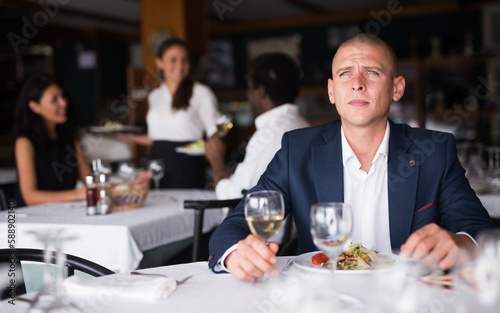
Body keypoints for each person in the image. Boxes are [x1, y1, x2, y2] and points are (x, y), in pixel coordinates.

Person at [208, 34, 496, 281]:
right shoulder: (298, 150)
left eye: (372, 72)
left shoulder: (435, 151)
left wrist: (459, 243)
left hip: (406, 297)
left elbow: (482, 233)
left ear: (397, 88)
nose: (357, 83)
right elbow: (234, 225)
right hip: (322, 297)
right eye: (346, 73)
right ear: (332, 91)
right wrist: (236, 253)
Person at [114, 38, 220, 188]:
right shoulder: (154, 96)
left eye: (184, 60)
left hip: (187, 166)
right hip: (156, 165)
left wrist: (218, 167)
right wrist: (120, 135)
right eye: (173, 60)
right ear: (159, 63)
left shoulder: (201, 92)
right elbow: (154, 137)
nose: (180, 65)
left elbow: (215, 134)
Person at [205, 53, 309, 200]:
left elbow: (233, 200)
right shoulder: (303, 125)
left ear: (261, 91)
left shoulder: (270, 134)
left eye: (249, 88)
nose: (248, 95)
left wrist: (216, 160)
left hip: (270, 222)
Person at [13, 73, 92, 207]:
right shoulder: (25, 142)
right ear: (34, 106)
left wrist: (131, 186)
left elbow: (90, 181)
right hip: (33, 219)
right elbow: (30, 197)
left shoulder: (69, 138)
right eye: (54, 100)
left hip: (64, 212)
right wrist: (77, 194)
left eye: (63, 96)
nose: (64, 103)